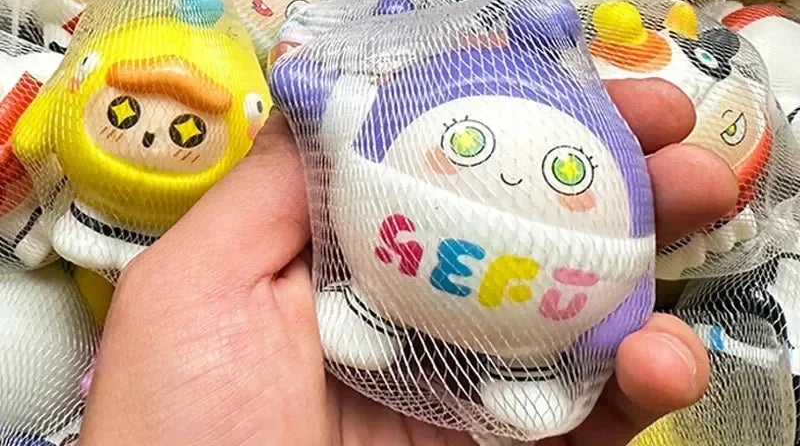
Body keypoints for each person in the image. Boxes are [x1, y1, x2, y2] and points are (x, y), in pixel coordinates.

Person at [80, 79, 740, 446]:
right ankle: (372, 311)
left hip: (543, 326)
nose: (510, 179)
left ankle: (529, 369)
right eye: (471, 145)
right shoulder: (378, 144)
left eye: (568, 173)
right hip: (379, 283)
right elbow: (339, 118)